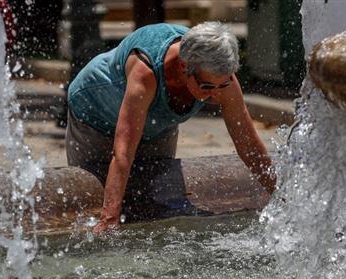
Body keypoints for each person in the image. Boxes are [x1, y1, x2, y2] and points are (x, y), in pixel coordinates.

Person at [66, 22, 277, 233]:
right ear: (184, 67)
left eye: (222, 85)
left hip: (157, 125)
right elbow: (123, 153)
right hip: (95, 116)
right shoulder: (146, 70)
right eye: (207, 87)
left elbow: (249, 146)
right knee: (89, 203)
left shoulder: (221, 77)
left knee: (155, 201)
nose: (216, 95)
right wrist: (108, 220)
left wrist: (280, 196)